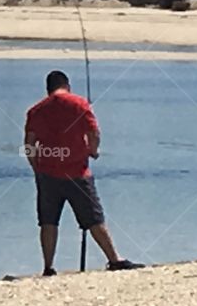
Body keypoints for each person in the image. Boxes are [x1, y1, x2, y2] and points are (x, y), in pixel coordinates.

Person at [24, 70, 143, 276]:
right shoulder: (80, 104)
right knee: (94, 218)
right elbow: (94, 132)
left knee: (48, 221)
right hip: (77, 172)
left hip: (47, 173)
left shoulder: (36, 111)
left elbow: (29, 143)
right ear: (67, 85)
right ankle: (114, 259)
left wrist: (36, 167)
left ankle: (48, 267)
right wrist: (93, 150)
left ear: (48, 88)